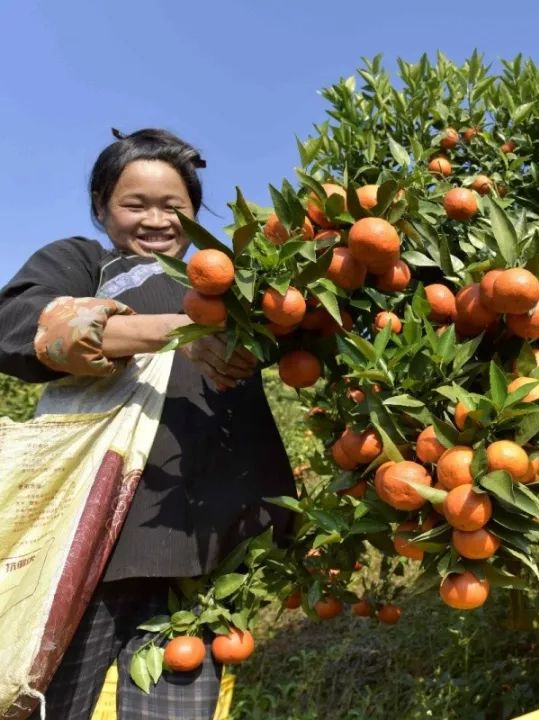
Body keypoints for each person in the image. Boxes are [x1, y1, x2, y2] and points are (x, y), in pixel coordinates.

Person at [0, 129, 295, 719]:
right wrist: (180, 334)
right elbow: (19, 327)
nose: (156, 220)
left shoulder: (236, 285)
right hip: (88, 550)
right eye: (135, 205)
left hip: (202, 569)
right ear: (101, 206)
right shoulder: (84, 263)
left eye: (174, 206)